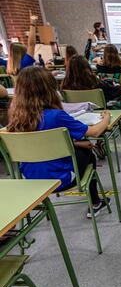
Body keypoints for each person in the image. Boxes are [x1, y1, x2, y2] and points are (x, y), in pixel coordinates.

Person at [7, 67, 111, 218]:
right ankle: (95, 203)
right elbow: (95, 132)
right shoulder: (56, 116)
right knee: (88, 154)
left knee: (82, 147)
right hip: (60, 179)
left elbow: (39, 142)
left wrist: (76, 143)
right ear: (49, 89)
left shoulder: (16, 117)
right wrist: (106, 117)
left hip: (30, 179)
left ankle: (95, 203)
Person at [0, 11, 38, 75]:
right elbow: (31, 44)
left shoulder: (8, 65)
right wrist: (32, 24)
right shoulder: (25, 64)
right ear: (23, 53)